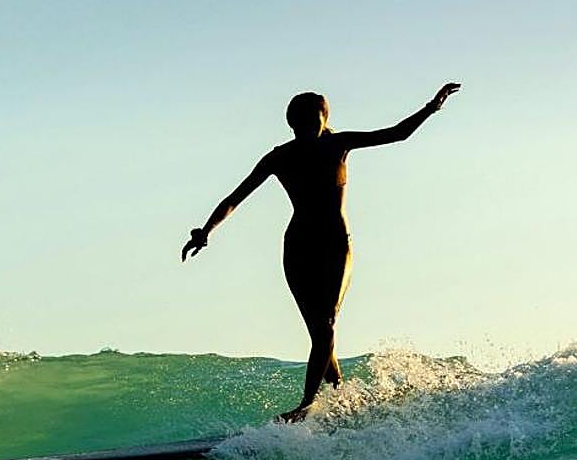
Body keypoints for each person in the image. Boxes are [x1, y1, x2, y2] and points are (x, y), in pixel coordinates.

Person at [181, 82, 461, 422]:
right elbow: (234, 198)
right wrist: (206, 231)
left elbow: (396, 134)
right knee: (319, 332)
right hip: (299, 247)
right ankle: (340, 400)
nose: (306, 129)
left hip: (335, 244)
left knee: (327, 324)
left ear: (325, 119)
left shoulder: (338, 144)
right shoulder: (280, 157)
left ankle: (307, 404)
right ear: (291, 124)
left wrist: (432, 107)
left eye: (313, 121)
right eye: (299, 123)